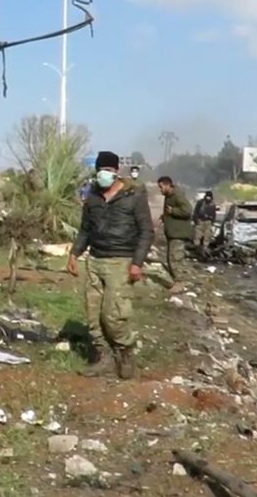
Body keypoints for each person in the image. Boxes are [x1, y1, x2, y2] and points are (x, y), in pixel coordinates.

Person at [67, 151, 154, 380]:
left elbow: (147, 231)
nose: (103, 174)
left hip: (121, 261)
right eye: (100, 170)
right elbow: (85, 229)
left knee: (113, 315)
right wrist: (74, 254)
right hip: (95, 260)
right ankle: (103, 357)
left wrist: (137, 263)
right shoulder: (93, 197)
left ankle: (125, 353)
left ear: (116, 172)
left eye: (107, 170)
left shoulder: (133, 195)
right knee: (93, 315)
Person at [157, 176, 193, 294]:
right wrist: (164, 216)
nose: (160, 190)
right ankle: (177, 281)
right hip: (173, 232)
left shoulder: (177, 195)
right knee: (171, 258)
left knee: (175, 259)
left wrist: (173, 211)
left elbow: (187, 210)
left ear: (168, 185)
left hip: (179, 233)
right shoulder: (169, 196)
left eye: (161, 187)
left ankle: (180, 283)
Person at [192, 191, 218, 257]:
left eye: (209, 197)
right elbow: (195, 212)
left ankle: (205, 249)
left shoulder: (213, 204)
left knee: (207, 235)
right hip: (200, 220)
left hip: (208, 222)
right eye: (207, 196)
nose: (208, 198)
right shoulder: (200, 202)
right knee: (197, 235)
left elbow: (214, 214)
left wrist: (212, 222)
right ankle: (196, 248)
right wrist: (196, 220)